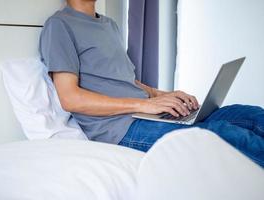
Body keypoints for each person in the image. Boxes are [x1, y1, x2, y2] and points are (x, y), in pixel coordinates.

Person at [39, 0, 264, 167]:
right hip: (121, 128)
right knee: (223, 133)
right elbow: (69, 98)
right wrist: (142, 105)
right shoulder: (59, 25)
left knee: (251, 116)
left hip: (146, 112)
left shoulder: (109, 24)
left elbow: (126, 80)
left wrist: (163, 95)